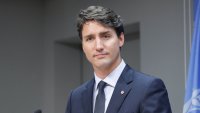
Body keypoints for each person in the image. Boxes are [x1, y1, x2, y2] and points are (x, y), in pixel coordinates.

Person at [66, 6, 172, 113]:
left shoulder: (148, 88)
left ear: (121, 39)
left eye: (105, 36)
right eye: (90, 39)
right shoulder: (75, 97)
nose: (98, 46)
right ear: (83, 46)